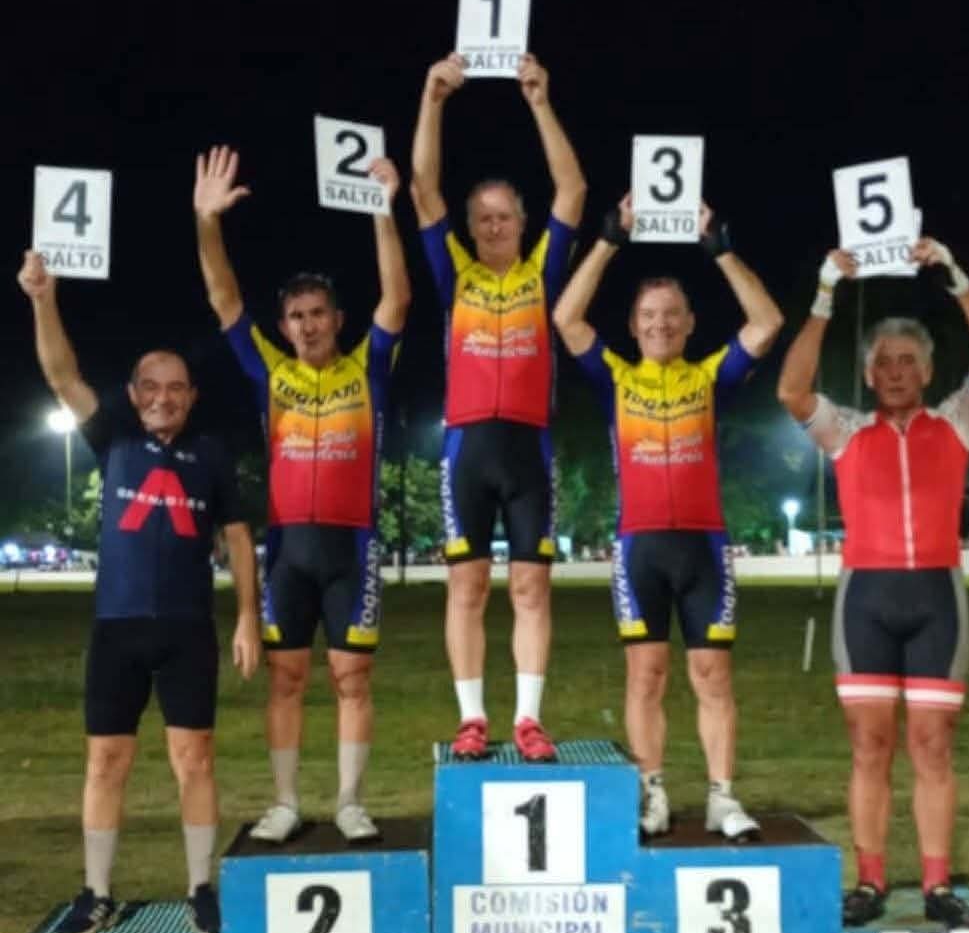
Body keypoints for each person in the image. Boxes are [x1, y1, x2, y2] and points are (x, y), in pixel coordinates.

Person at [17, 250, 261, 933]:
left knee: (195, 760)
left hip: (187, 629)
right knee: (106, 762)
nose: (163, 397)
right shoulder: (114, 437)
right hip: (117, 629)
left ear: (192, 395)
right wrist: (43, 300)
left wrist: (248, 616)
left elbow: (238, 537)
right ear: (132, 394)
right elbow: (62, 375)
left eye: (176, 387)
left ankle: (201, 888)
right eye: (151, 386)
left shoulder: (212, 454)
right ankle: (96, 893)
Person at [776, 239, 969, 927]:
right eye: (882, 362)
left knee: (933, 747)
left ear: (928, 370)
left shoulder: (957, 422)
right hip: (868, 602)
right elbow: (792, 390)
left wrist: (956, 277)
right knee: (870, 746)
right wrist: (825, 295)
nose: (894, 372)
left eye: (908, 360)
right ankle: (871, 880)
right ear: (868, 372)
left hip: (937, 598)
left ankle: (938, 886)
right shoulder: (847, 431)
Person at [194, 146, 410, 843]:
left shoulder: (369, 369)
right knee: (285, 679)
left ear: (337, 319)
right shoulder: (270, 373)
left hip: (353, 547)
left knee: (353, 678)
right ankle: (285, 802)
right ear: (283, 326)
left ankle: (349, 801)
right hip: (287, 549)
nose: (308, 325)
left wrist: (382, 211)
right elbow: (225, 300)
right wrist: (207, 223)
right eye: (296, 316)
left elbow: (397, 299)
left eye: (318, 313)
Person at [553, 197, 783, 836]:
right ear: (633, 326)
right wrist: (609, 239)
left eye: (671, 314)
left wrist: (720, 248)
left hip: (704, 549)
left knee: (712, 675)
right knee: (646, 675)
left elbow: (767, 322)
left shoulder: (709, 378)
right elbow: (565, 317)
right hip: (640, 549)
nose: (660, 324)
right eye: (649, 315)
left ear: (688, 323)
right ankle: (651, 792)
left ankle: (722, 796)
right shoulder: (615, 379)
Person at [410, 52, 586, 761]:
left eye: (503, 216)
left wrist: (539, 101)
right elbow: (422, 188)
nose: (491, 226)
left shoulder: (544, 271)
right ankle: (472, 718)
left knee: (532, 588)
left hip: (528, 447)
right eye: (481, 218)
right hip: (467, 448)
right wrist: (433, 99)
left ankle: (528, 719)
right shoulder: (454, 273)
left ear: (521, 221)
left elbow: (573, 188)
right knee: (468, 586)